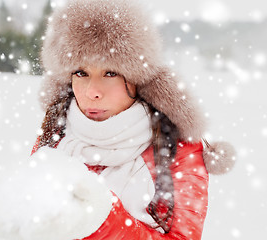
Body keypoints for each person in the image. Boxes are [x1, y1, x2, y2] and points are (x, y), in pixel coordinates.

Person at [31, 0, 236, 239]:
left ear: (137, 78)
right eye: (81, 73)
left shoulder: (176, 150)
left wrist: (102, 219)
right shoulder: (57, 135)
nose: (92, 91)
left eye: (110, 73)